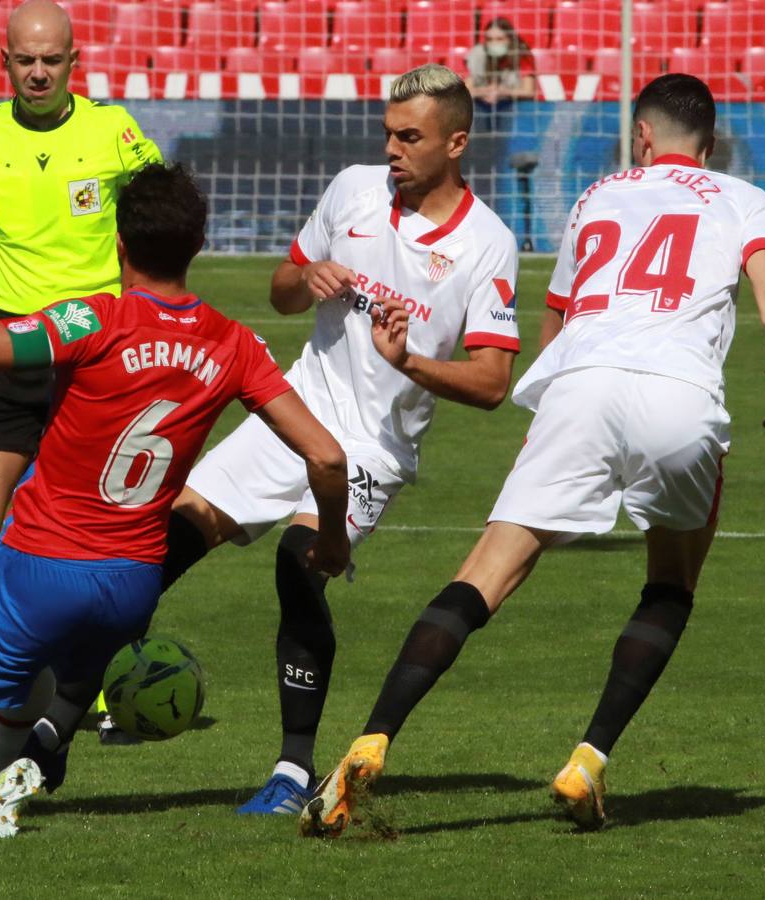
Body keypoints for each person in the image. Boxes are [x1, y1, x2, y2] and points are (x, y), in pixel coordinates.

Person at [298, 73, 765, 838]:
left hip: (578, 387)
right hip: (676, 392)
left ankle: (368, 742)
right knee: (669, 581)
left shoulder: (597, 196)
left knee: (483, 575)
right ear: (711, 139)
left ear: (641, 136)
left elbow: (558, 320)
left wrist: (552, 419)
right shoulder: (739, 198)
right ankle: (588, 759)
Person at [0, 163, 352, 838]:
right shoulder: (235, 343)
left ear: (119, 246)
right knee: (29, 682)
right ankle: (7, 777)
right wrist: (331, 539)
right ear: (197, 246)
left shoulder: (93, 319)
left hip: (38, 566)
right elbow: (327, 457)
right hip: (131, 585)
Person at [145, 64, 521, 816]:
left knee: (297, 564)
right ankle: (50, 716)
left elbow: (490, 384)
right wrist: (307, 274)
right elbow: (282, 292)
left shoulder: (487, 244)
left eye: (409, 137)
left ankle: (290, 772)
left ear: (455, 143)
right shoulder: (351, 189)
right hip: (293, 409)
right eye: (386, 132)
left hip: (371, 450)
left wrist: (407, 360)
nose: (391, 149)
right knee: (158, 547)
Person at [0, 0, 161, 590]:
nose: (38, 72)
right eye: (25, 60)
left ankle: (86, 684)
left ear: (74, 61)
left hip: (91, 350)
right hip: (6, 342)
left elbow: (161, 221)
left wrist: (145, 308)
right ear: (4, 62)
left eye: (52, 60)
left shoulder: (114, 130)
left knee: (77, 531)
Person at [465, 18, 537, 112]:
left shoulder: (521, 55)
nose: (494, 43)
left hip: (513, 106)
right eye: (489, 39)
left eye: (500, 39)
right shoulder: (477, 54)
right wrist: (483, 92)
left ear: (510, 39)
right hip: (481, 104)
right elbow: (466, 90)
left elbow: (529, 91)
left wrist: (502, 92)